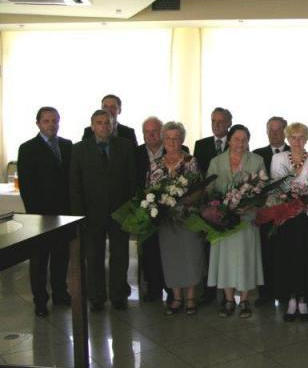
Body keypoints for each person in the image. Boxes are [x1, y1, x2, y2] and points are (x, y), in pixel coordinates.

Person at [70, 109, 136, 312]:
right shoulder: (79, 149)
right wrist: (79, 215)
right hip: (92, 213)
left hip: (120, 211)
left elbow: (132, 179)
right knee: (93, 256)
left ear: (113, 125)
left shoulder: (125, 146)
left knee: (120, 255)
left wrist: (131, 209)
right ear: (92, 126)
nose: (104, 126)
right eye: (99, 123)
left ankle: (118, 295)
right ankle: (96, 297)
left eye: (107, 122)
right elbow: (75, 184)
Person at [17, 106, 72, 317]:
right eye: (47, 121)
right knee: (40, 259)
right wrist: (35, 216)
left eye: (54, 120)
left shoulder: (67, 145)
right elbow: (26, 186)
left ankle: (60, 293)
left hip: (64, 213)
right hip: (40, 215)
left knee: (61, 256)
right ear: (38, 123)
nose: (51, 124)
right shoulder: (28, 148)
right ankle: (40, 300)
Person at [207, 124, 266, 319]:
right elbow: (209, 190)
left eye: (244, 139)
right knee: (225, 261)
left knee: (245, 260)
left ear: (248, 142)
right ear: (229, 140)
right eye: (236, 139)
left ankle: (245, 299)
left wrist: (250, 206)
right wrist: (218, 206)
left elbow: (263, 191)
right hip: (223, 221)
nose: (240, 143)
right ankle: (229, 299)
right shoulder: (216, 162)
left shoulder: (257, 160)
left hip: (246, 220)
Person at [270, 122, 308, 321]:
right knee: (288, 259)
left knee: (306, 259)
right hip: (286, 219)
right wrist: (287, 203)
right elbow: (275, 189)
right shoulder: (278, 159)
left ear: (307, 138)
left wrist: (306, 201)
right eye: (293, 137)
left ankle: (303, 300)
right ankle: (291, 299)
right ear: (287, 139)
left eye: (301, 137)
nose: (297, 141)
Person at [149, 121, 205, 316]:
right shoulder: (156, 164)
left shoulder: (190, 161)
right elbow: (150, 191)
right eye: (168, 138)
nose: (172, 142)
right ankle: (176, 297)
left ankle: (190, 298)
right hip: (166, 221)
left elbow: (199, 189)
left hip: (187, 218)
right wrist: (161, 206)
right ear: (163, 139)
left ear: (182, 140)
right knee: (171, 258)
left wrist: (184, 202)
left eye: (176, 138)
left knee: (191, 256)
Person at [135, 117, 189, 302]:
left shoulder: (184, 154)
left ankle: (174, 291)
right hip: (150, 212)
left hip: (177, 216)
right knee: (151, 253)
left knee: (174, 253)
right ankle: (155, 289)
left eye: (154, 131)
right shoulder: (139, 154)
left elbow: (192, 184)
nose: (151, 135)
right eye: (147, 132)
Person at [193, 106, 232, 304]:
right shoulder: (201, 145)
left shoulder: (236, 141)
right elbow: (198, 176)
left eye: (221, 121)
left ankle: (227, 291)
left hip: (230, 204)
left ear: (229, 123)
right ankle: (208, 291)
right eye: (213, 121)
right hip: (207, 206)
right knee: (208, 248)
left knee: (226, 250)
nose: (216, 125)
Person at [252, 116, 290, 305]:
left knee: (285, 254)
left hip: (288, 214)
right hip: (264, 214)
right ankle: (265, 293)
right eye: (271, 130)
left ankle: (285, 292)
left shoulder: (295, 153)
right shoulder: (257, 155)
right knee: (266, 253)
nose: (274, 133)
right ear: (266, 132)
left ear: (285, 131)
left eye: (278, 129)